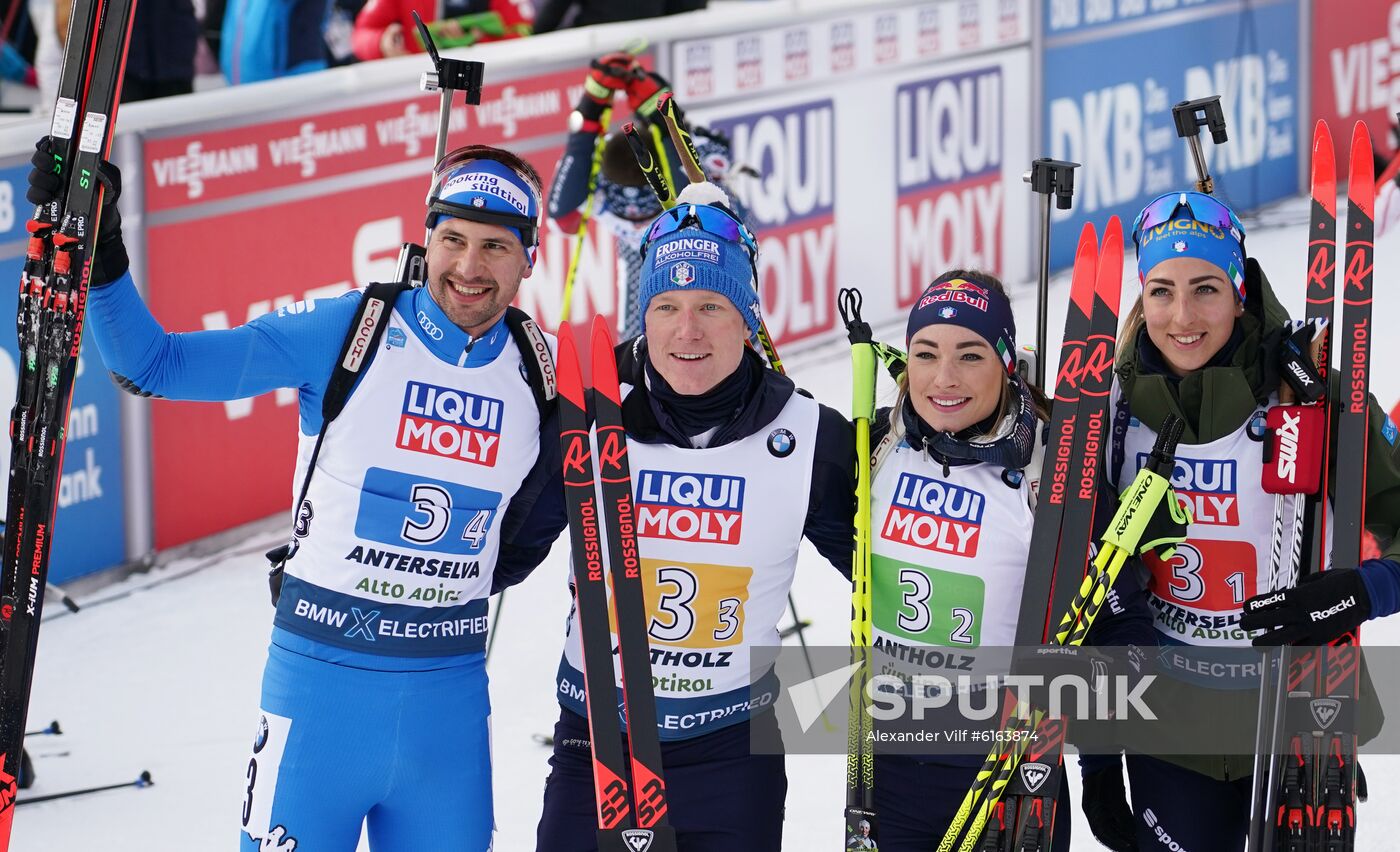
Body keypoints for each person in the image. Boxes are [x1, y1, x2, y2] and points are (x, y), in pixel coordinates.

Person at [26, 140, 567, 850]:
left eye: (496, 247)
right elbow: (152, 364)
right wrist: (102, 247)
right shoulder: (352, 331)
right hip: (320, 696)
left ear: (529, 256)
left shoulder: (545, 372)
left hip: (449, 710)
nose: (469, 268)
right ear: (426, 237)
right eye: (453, 239)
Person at [533, 184, 855, 851]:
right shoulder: (586, 414)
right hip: (595, 740)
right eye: (667, 306)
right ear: (642, 316)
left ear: (748, 318)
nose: (688, 330)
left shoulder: (809, 438)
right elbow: (505, 549)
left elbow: (887, 572)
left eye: (712, 304)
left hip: (732, 753)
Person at [1079, 190, 1400, 851]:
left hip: (1296, 718)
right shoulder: (1108, 413)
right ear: (1143, 298)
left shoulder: (1315, 395)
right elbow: (1087, 587)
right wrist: (1099, 753)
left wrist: (1359, 592)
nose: (1183, 315)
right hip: (1167, 728)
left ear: (1239, 290)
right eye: (1162, 291)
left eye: (1206, 288)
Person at [864, 271, 1153, 850]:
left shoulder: (1055, 474)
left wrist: (1100, 752)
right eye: (926, 353)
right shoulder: (876, 448)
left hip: (1009, 776)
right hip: (885, 773)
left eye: (970, 355)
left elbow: (1122, 628)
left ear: (1006, 364)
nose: (944, 378)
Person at [548, 52, 745, 339]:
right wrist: (589, 112)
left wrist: (665, 124)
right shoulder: (595, 167)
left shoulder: (698, 153)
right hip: (644, 249)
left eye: (644, 202)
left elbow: (700, 210)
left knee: (709, 323)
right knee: (636, 338)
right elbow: (562, 219)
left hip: (710, 242)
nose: (633, 213)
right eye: (623, 207)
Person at [351, 0, 530, 61]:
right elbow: (360, 35)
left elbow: (525, 33)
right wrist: (381, 43)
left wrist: (473, 43)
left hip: (486, 92)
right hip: (420, 94)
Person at [532, 0, 703, 33]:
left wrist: (533, 38)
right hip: (650, 41)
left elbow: (554, 11)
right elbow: (690, 6)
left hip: (595, 45)